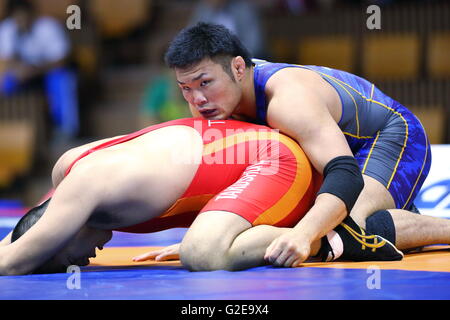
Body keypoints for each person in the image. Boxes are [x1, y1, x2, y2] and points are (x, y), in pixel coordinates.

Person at [161, 22, 436, 267]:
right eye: (186, 88)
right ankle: (397, 217)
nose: (197, 99)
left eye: (205, 83)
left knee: (347, 228)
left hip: (390, 136)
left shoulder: (287, 99)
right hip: (330, 148)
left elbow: (345, 175)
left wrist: (304, 235)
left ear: (238, 67)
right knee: (323, 221)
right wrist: (211, 235)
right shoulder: (214, 104)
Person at [0, 118, 404, 275]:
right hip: (241, 158)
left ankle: (331, 235)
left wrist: (34, 253)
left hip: (269, 159)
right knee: (202, 245)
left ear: (60, 228)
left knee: (204, 253)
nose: (88, 260)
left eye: (69, 257)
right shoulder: (66, 170)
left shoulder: (87, 183)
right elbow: (19, 238)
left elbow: (15, 260)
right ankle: (351, 227)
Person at [0, 0, 79, 138]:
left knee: (62, 80)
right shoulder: (7, 29)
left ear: (32, 14)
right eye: (17, 17)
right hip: (24, 74)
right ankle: (9, 131)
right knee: (6, 82)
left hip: (48, 72)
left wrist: (35, 71)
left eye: (23, 15)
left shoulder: (48, 26)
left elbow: (61, 61)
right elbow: (6, 60)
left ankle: (66, 129)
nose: (21, 20)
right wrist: (19, 70)